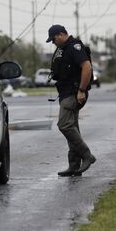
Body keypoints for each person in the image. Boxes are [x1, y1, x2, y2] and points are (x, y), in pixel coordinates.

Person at [46, 24, 96, 176]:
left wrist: (81, 90)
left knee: (64, 124)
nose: (53, 42)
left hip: (74, 92)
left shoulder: (74, 46)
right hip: (65, 92)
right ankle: (74, 166)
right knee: (72, 126)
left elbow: (86, 67)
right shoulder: (63, 49)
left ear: (61, 34)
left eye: (53, 39)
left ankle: (87, 155)